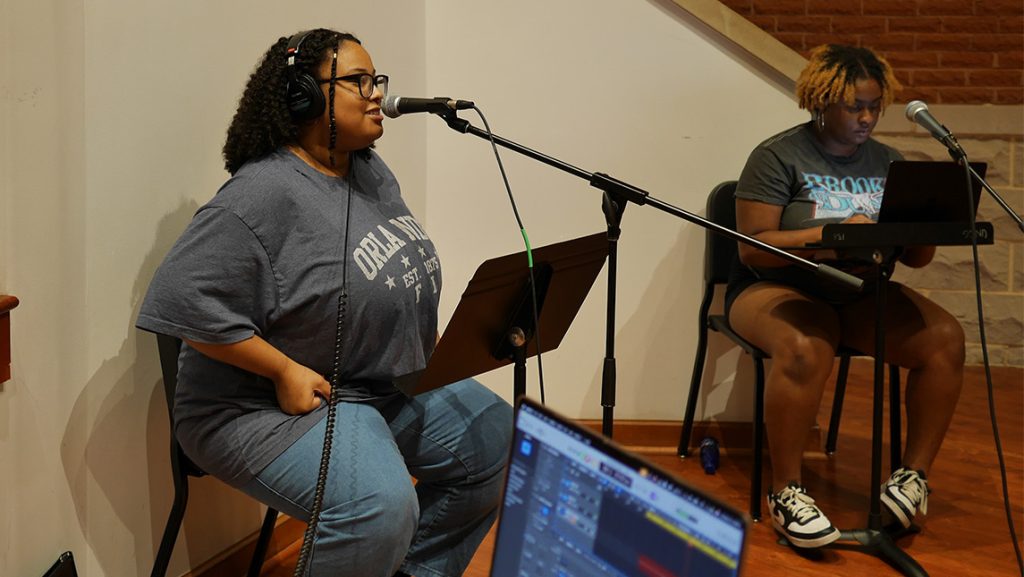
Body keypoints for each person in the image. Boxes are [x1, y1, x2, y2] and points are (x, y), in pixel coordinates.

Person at [137, 28, 512, 577]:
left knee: (497, 442)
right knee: (379, 507)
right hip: (258, 406)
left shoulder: (369, 170)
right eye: (359, 81)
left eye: (376, 79)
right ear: (304, 98)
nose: (377, 93)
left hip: (371, 382)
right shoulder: (260, 194)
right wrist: (284, 369)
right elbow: (184, 302)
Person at [726, 44, 965, 548]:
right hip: (776, 288)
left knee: (945, 339)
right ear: (822, 101)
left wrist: (924, 224)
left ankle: (912, 478)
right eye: (854, 105)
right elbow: (753, 249)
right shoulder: (777, 156)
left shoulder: (889, 162)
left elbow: (916, 261)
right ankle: (786, 491)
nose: (867, 117)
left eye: (874, 105)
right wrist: (833, 234)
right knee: (807, 345)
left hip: (859, 292)